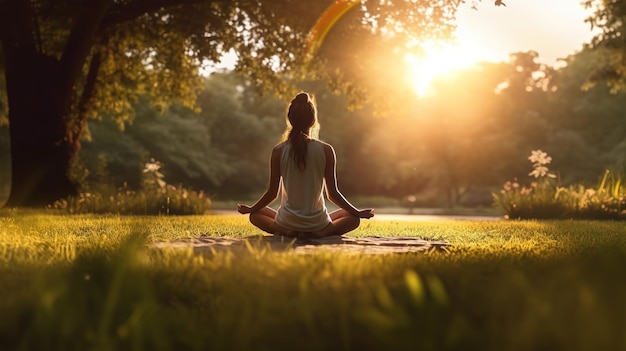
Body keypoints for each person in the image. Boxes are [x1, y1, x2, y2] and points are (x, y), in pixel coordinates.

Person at [237, 92, 374, 238]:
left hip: (287, 222)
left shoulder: (278, 151)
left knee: (255, 215)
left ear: (290, 120)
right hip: (317, 222)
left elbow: (272, 193)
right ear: (313, 121)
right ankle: (320, 233)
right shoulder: (326, 150)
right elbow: (332, 194)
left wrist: (251, 208)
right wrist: (357, 212)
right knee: (352, 218)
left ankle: (286, 232)